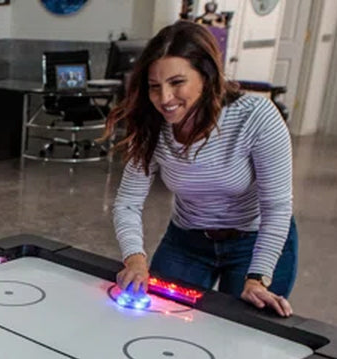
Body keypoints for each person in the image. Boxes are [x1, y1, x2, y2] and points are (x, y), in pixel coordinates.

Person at [106, 21, 296, 317]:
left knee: (241, 334)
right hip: (187, 239)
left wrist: (257, 278)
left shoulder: (256, 117)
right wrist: (135, 259)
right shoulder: (152, 123)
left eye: (177, 83)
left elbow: (277, 207)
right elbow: (128, 203)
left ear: (206, 77)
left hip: (254, 240)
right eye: (155, 87)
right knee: (159, 318)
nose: (165, 98)